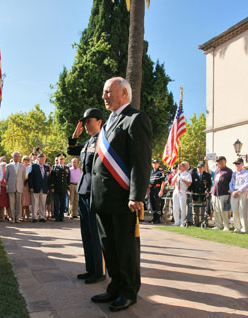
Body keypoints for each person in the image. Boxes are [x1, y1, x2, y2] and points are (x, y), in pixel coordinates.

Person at [90, 77, 152, 312]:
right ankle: (115, 286)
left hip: (124, 198)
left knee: (126, 247)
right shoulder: (109, 123)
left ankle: (128, 291)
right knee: (109, 246)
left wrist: (136, 195)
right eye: (104, 92)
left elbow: (141, 161)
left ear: (124, 93)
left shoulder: (136, 119)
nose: (104, 96)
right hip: (104, 198)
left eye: (108, 92)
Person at [68, 107, 106, 284]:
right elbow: (72, 151)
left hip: (94, 192)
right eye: (84, 122)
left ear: (99, 121)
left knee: (95, 233)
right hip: (83, 190)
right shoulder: (89, 141)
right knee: (86, 233)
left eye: (89, 121)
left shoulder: (103, 139)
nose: (86, 125)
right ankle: (90, 268)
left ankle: (99, 271)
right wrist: (75, 136)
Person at [210, 156, 232, 231]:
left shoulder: (229, 171)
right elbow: (214, 181)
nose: (219, 163)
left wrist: (229, 195)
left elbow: (230, 183)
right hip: (215, 193)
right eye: (218, 162)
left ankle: (226, 226)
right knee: (216, 210)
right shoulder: (217, 170)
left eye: (221, 162)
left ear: (225, 162)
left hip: (224, 193)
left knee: (224, 211)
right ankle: (218, 225)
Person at [229, 158, 248, 233]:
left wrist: (238, 191)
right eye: (236, 164)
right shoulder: (234, 173)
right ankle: (237, 227)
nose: (237, 165)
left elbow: (247, 183)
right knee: (235, 211)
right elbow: (231, 183)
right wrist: (232, 191)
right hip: (234, 192)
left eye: (238, 163)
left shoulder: (247, 173)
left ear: (242, 164)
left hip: (242, 192)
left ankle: (244, 228)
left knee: (242, 210)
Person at [4, 151, 26, 223]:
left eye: (18, 156)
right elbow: (6, 177)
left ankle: (17, 217)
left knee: (18, 203)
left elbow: (23, 177)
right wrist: (9, 184)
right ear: (12, 157)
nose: (17, 158)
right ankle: (12, 217)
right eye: (16, 156)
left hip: (19, 187)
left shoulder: (22, 166)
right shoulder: (9, 166)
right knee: (11, 203)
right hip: (11, 187)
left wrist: (20, 184)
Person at [188, 161, 211, 226]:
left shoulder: (207, 175)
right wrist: (189, 191)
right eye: (198, 167)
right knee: (195, 209)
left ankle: (203, 222)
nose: (199, 169)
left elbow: (209, 185)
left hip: (203, 195)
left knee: (203, 210)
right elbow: (190, 184)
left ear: (203, 168)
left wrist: (207, 191)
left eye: (200, 168)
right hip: (195, 194)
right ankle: (196, 222)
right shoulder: (193, 175)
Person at [28, 153, 50, 222]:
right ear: (38, 159)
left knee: (43, 203)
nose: (43, 160)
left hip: (44, 188)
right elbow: (30, 177)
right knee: (35, 203)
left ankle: (42, 216)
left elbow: (48, 179)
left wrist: (48, 188)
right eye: (41, 158)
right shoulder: (33, 166)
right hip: (35, 187)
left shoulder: (47, 167)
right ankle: (34, 217)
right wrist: (31, 186)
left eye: (44, 159)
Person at [50, 153, 70, 222]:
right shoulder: (55, 167)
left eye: (63, 159)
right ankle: (56, 216)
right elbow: (52, 178)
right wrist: (52, 187)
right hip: (56, 188)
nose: (61, 160)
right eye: (60, 159)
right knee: (56, 203)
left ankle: (61, 216)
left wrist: (68, 188)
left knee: (63, 203)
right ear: (58, 160)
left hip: (63, 188)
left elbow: (68, 179)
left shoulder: (66, 168)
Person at [172, 161, 192, 226]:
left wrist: (183, 180)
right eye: (179, 166)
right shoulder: (177, 174)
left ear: (184, 167)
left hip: (182, 190)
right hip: (176, 190)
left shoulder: (187, 174)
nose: (179, 167)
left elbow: (189, 183)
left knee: (182, 207)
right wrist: (177, 174)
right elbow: (173, 181)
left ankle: (182, 221)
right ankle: (176, 221)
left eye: (181, 166)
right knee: (175, 207)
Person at [21, 155, 32, 220]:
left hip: (28, 186)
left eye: (27, 160)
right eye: (25, 160)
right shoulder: (21, 167)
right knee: (22, 202)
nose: (26, 161)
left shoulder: (30, 167)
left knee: (27, 203)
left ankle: (27, 216)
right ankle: (22, 216)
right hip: (21, 185)